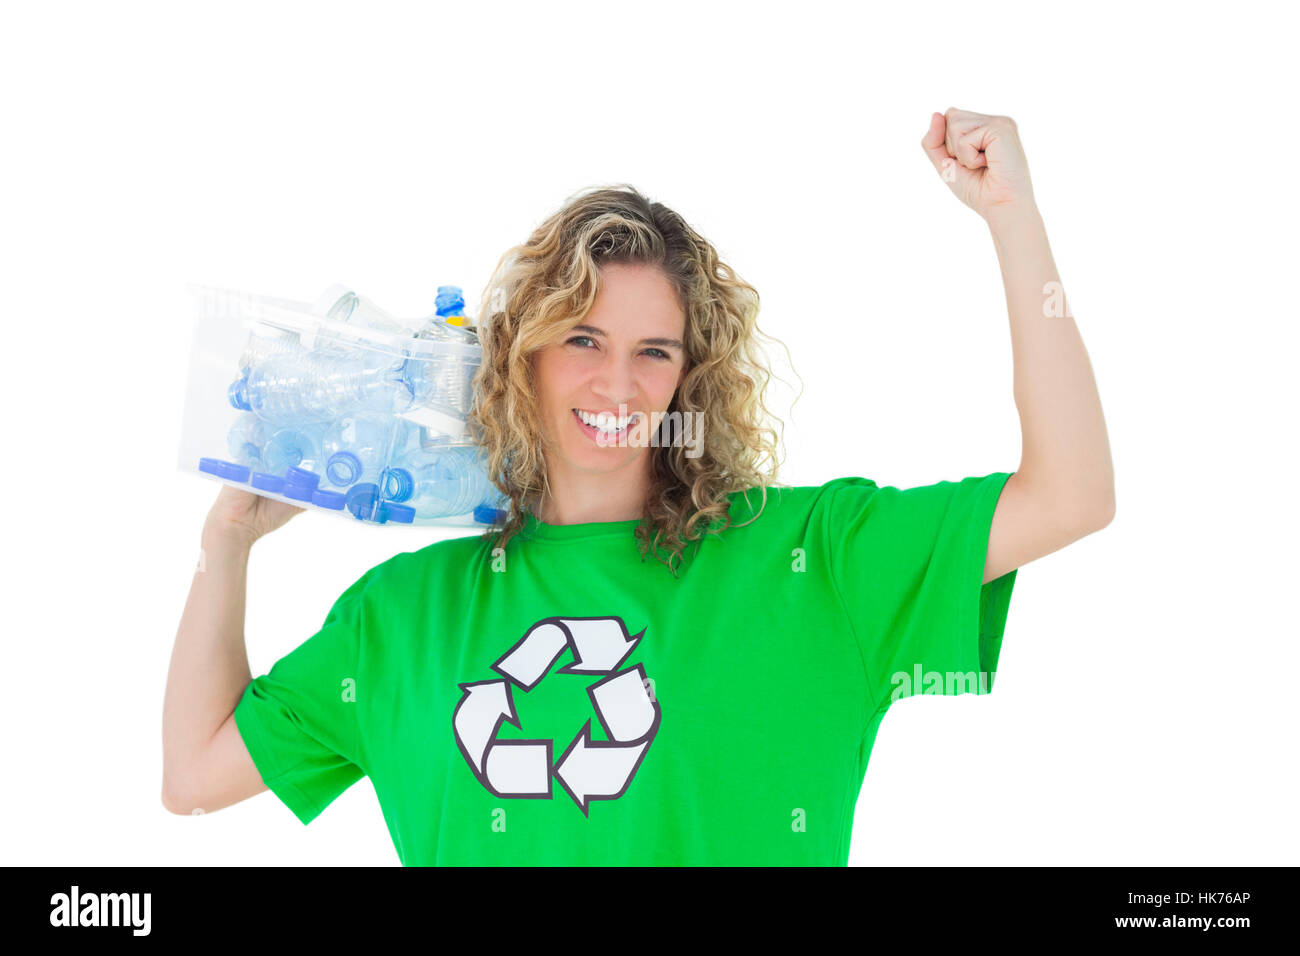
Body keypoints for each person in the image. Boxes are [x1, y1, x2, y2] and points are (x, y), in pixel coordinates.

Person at [162, 108, 1115, 866]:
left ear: (689, 378)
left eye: (653, 351)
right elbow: (194, 777)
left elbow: (1072, 496)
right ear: (520, 356)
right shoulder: (401, 613)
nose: (616, 387)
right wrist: (226, 544)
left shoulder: (813, 559)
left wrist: (1014, 218)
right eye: (583, 339)